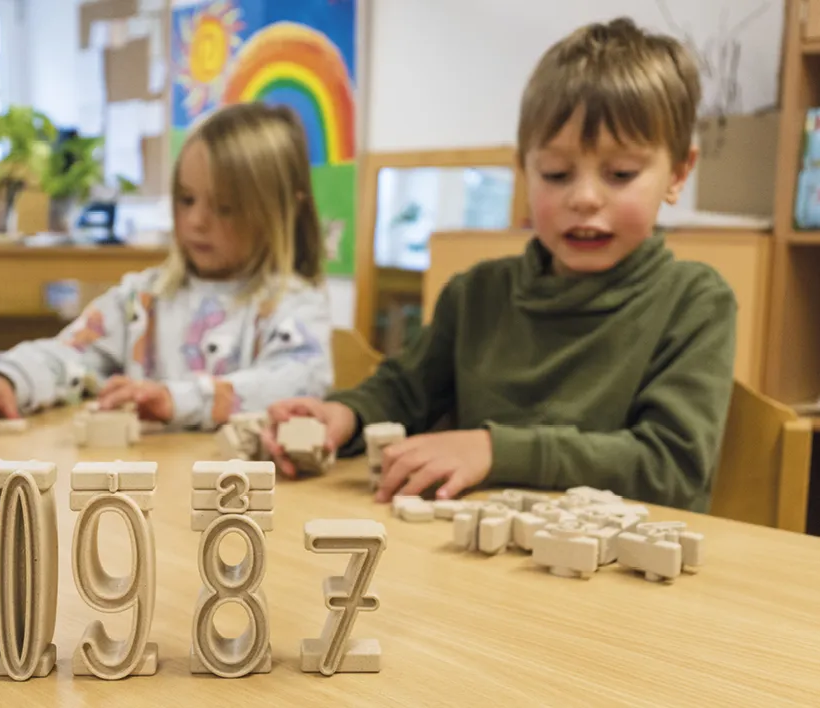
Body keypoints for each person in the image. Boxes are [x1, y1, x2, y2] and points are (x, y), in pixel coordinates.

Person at [262, 18, 738, 513]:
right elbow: (402, 391)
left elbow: (672, 469)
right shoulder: (476, 295)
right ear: (524, 170)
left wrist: (495, 449)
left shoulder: (695, 301)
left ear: (679, 172)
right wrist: (344, 413)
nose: (584, 198)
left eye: (620, 174)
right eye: (556, 174)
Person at [0, 102, 333, 434]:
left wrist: (173, 399)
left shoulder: (294, 304)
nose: (196, 221)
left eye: (225, 207)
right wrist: (8, 378)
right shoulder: (142, 299)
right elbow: (70, 353)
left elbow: (295, 386)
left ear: (282, 210)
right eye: (186, 199)